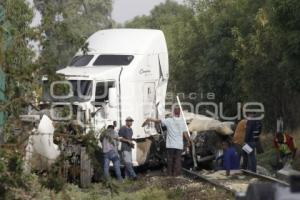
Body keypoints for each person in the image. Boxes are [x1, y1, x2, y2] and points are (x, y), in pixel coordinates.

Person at [143, 107, 191, 176]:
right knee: (177, 160)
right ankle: (176, 174)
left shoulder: (169, 120)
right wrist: (189, 140)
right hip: (179, 145)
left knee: (170, 160)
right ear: (179, 113)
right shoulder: (182, 122)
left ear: (174, 113)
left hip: (171, 145)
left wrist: (150, 119)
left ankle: (169, 174)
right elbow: (185, 133)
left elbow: (158, 121)